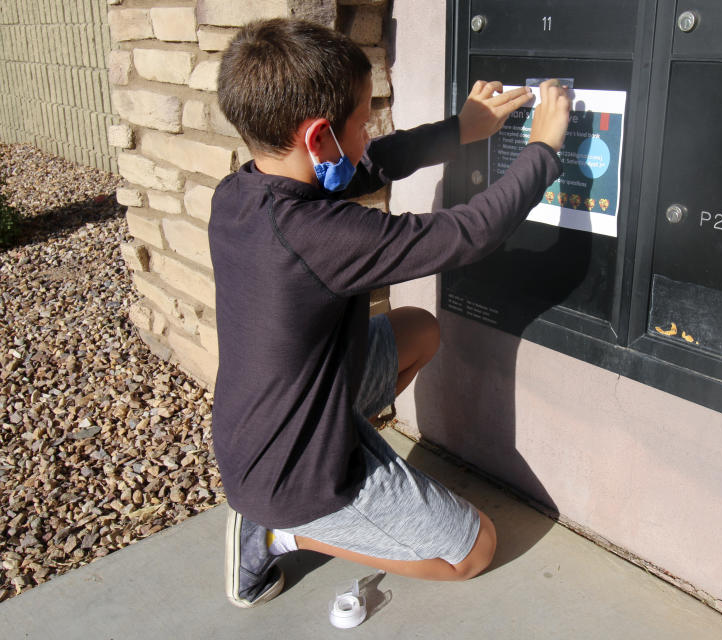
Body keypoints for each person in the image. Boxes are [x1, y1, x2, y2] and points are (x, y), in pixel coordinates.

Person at [209, 17, 570, 608]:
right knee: (472, 550)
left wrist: (461, 129)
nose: (369, 130)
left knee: (418, 332)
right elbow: (467, 234)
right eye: (361, 120)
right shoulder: (321, 235)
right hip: (288, 470)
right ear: (318, 138)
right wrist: (543, 149)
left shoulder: (243, 192)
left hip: (265, 424)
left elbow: (368, 164)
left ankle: (335, 456)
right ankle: (280, 531)